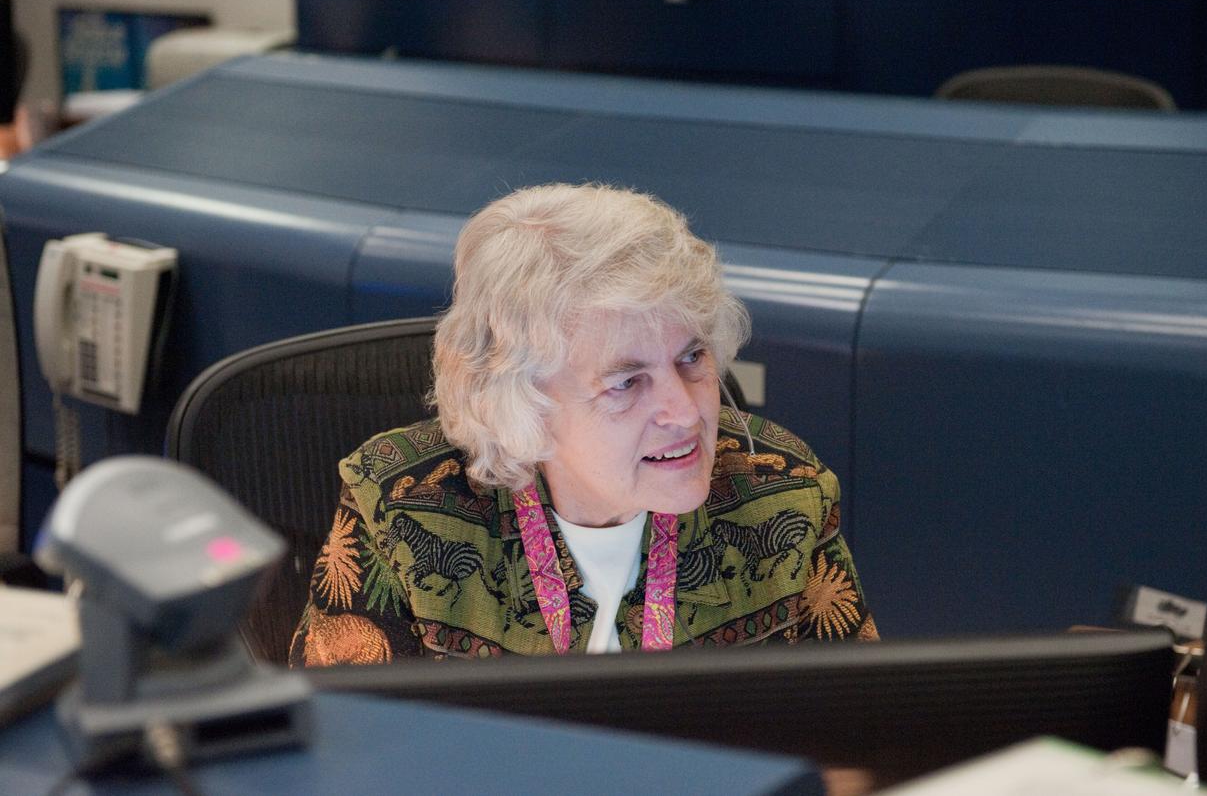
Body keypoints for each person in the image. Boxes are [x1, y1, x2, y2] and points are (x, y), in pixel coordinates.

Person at [290, 183, 877, 665]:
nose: (687, 410)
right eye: (626, 381)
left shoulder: (786, 495)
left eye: (691, 357)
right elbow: (340, 752)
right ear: (518, 402)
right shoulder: (398, 504)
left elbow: (861, 745)